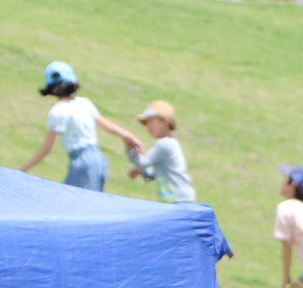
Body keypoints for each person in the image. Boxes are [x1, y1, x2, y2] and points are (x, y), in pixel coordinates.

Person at [18, 62, 140, 193]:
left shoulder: (58, 111)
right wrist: (129, 136)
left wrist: (23, 170)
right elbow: (107, 126)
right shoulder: (84, 103)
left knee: (72, 204)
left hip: (82, 163)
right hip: (98, 160)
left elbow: (46, 149)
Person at [126, 101, 195, 204]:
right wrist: (140, 171)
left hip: (180, 200)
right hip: (174, 200)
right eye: (146, 123)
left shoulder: (164, 144)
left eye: (151, 121)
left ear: (165, 121)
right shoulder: (167, 143)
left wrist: (131, 150)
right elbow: (151, 175)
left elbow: (143, 162)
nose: (148, 126)